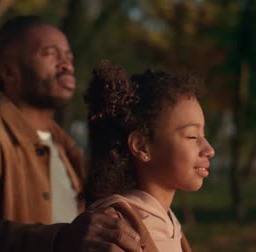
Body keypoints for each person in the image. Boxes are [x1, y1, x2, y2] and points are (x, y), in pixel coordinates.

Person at [0, 16, 143, 252]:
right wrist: (59, 239)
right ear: (9, 72)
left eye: (68, 57)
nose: (66, 65)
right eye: (50, 54)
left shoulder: (69, 150)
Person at [83, 61, 216, 252]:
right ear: (142, 146)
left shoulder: (167, 222)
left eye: (203, 135)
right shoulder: (115, 230)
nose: (209, 149)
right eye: (192, 136)